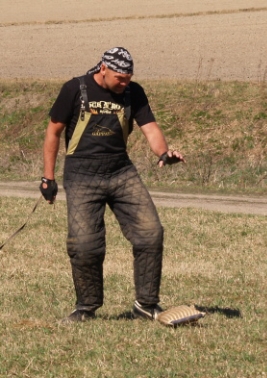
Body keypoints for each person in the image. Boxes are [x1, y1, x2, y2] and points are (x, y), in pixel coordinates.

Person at [40, 47, 185, 323]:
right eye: (120, 78)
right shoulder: (75, 88)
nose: (124, 83)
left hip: (121, 171)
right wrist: (48, 178)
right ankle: (86, 307)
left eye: (128, 78)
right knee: (85, 245)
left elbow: (150, 128)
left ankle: (146, 304)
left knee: (151, 232)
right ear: (102, 69)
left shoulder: (133, 92)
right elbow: (53, 132)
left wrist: (163, 153)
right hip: (81, 175)